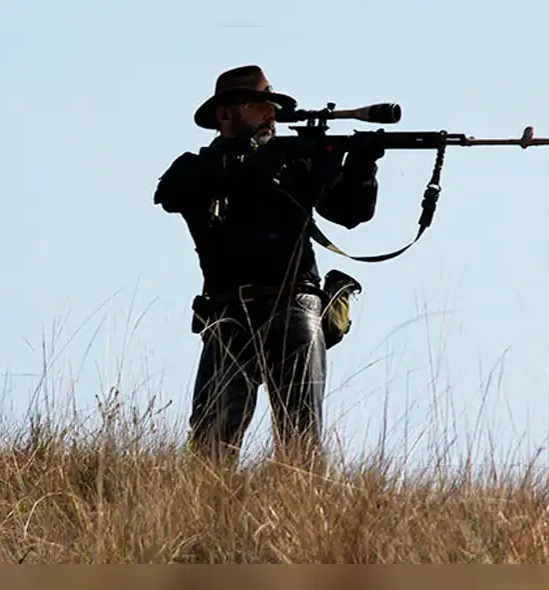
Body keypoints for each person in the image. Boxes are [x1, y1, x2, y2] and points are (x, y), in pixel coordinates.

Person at [152, 64, 385, 469]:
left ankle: (306, 521)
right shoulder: (198, 168)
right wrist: (254, 163)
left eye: (270, 107)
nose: (270, 115)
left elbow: (350, 212)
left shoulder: (293, 163)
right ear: (226, 114)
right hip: (229, 313)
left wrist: (362, 168)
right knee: (210, 444)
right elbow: (170, 193)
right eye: (260, 106)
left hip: (295, 306)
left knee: (301, 440)